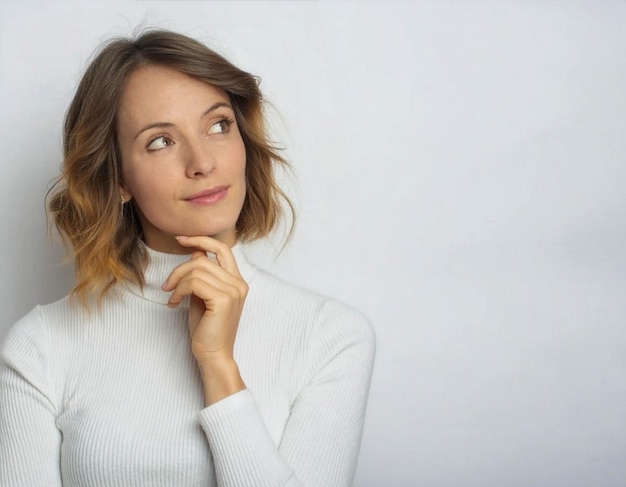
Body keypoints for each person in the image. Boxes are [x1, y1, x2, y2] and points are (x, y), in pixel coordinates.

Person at [0, 30, 375, 486]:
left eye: (218, 125)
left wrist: (217, 364)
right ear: (118, 179)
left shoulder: (331, 337)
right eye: (161, 141)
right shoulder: (41, 346)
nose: (202, 162)